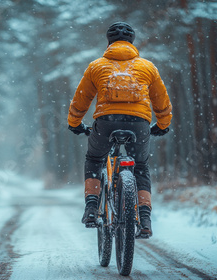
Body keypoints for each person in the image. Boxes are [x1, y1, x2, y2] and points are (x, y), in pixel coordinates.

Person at [67, 22, 172, 238]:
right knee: (140, 166)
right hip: (139, 123)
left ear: (109, 42)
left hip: (106, 122)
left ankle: (91, 208)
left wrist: (75, 122)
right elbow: (161, 101)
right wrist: (163, 124)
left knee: (95, 160)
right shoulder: (147, 67)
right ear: (132, 42)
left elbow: (81, 99)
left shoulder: (96, 66)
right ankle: (144, 218)